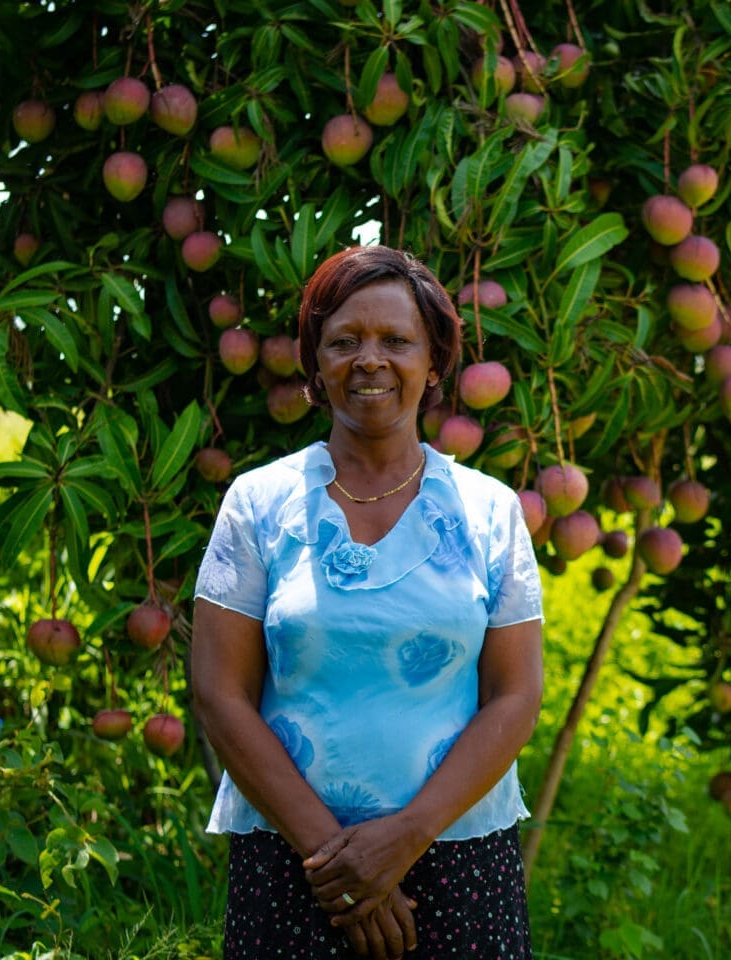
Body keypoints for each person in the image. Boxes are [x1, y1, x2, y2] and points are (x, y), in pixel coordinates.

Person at [191, 245, 544, 960]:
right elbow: (219, 691)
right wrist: (338, 861)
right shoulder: (259, 504)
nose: (370, 360)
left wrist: (406, 836)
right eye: (344, 341)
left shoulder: (489, 512)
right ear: (316, 365)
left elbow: (516, 695)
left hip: (458, 857)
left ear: (435, 362)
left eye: (396, 341)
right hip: (296, 863)